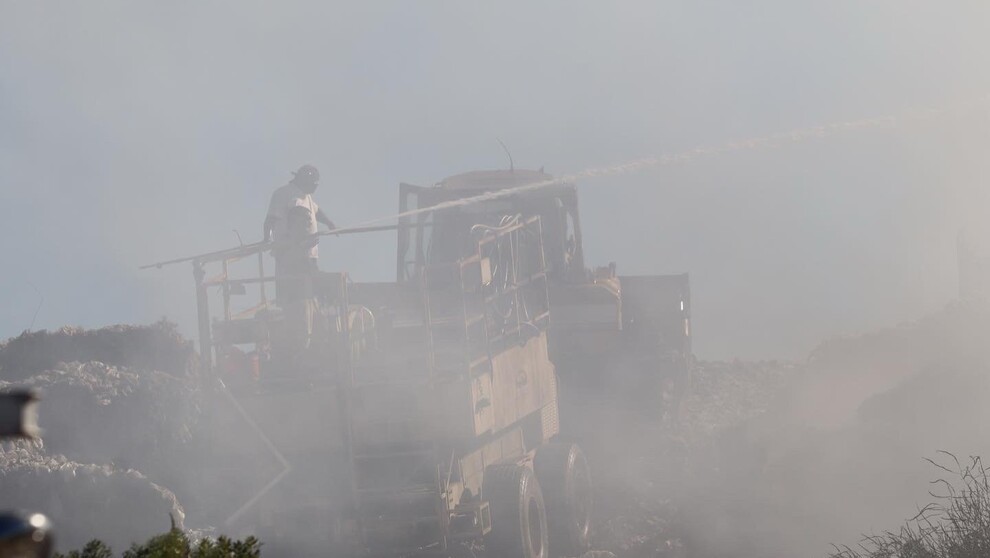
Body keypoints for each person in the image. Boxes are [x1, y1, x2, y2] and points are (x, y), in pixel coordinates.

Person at [263, 165, 336, 353]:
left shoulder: (306, 197)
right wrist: (266, 239)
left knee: (312, 301)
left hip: (308, 259)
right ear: (302, 180)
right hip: (290, 260)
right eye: (313, 185)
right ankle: (301, 348)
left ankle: (315, 342)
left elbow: (316, 212)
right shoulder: (284, 195)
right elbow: (270, 219)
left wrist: (329, 223)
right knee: (299, 304)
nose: (314, 189)